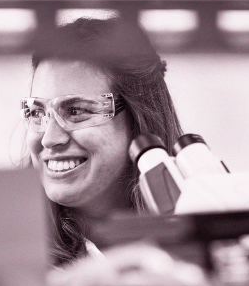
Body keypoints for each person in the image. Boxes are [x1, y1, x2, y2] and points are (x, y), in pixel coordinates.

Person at [21, 16, 184, 266]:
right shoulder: (13, 255)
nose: (50, 139)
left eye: (75, 111)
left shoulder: (205, 230)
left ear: (138, 118)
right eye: (38, 112)